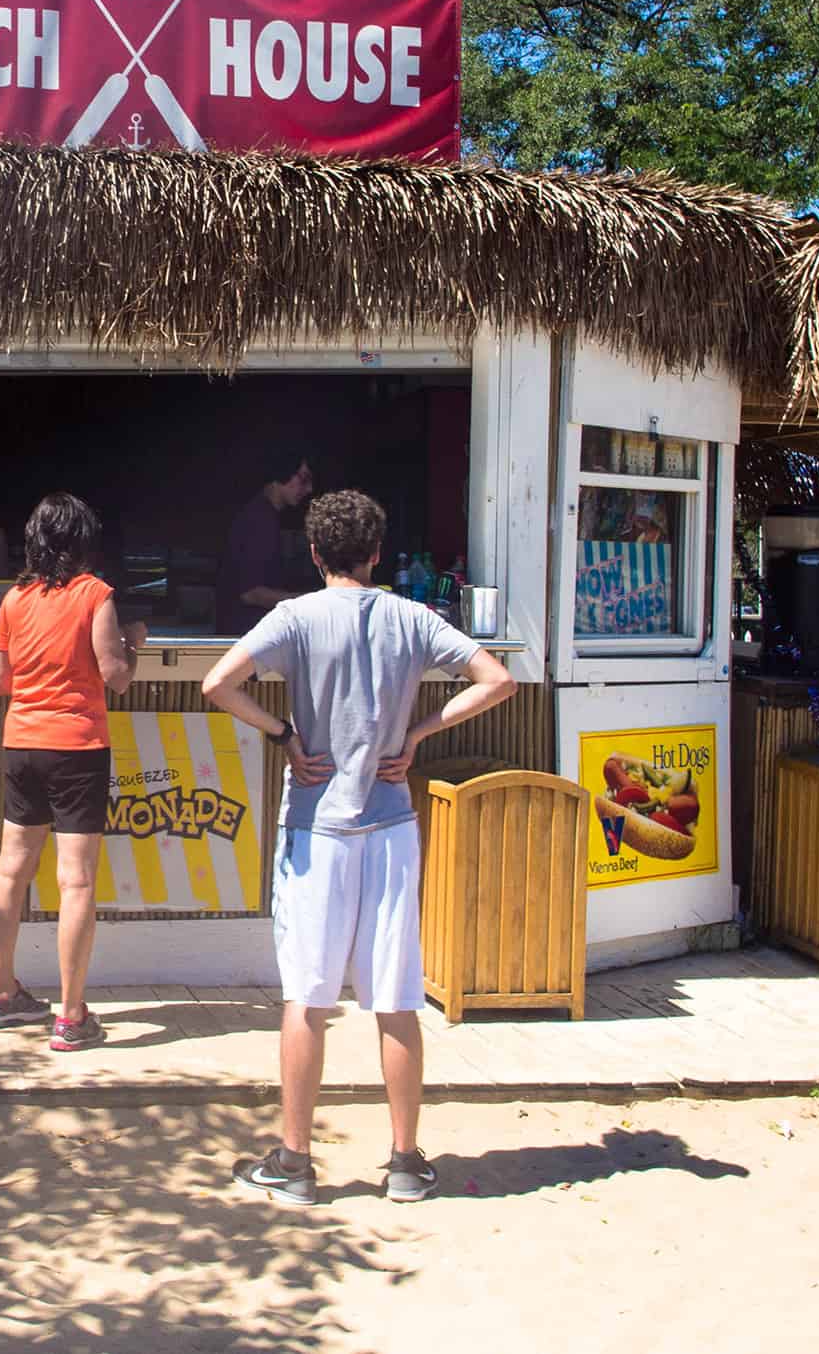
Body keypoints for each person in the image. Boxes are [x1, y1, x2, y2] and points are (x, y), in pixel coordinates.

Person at [201, 489, 515, 1205]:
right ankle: (404, 1162)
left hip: (318, 828)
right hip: (391, 826)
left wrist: (282, 735)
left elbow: (218, 682)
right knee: (397, 1000)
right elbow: (497, 680)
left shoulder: (296, 616)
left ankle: (295, 1163)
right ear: (377, 553)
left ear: (314, 555)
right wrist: (418, 733)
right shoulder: (411, 616)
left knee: (305, 1000)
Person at [0, 492, 145, 1051]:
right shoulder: (94, 594)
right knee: (75, 882)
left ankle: (1, 994)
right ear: (82, 542)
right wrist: (134, 645)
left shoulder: (14, 600)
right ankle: (72, 1017)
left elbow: (0, 681)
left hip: (22, 743)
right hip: (76, 746)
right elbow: (117, 675)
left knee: (11, 873)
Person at [218, 452, 314, 635]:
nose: (309, 489)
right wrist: (308, 602)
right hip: (242, 637)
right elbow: (251, 593)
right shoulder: (259, 520)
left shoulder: (263, 516)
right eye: (303, 479)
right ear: (282, 475)